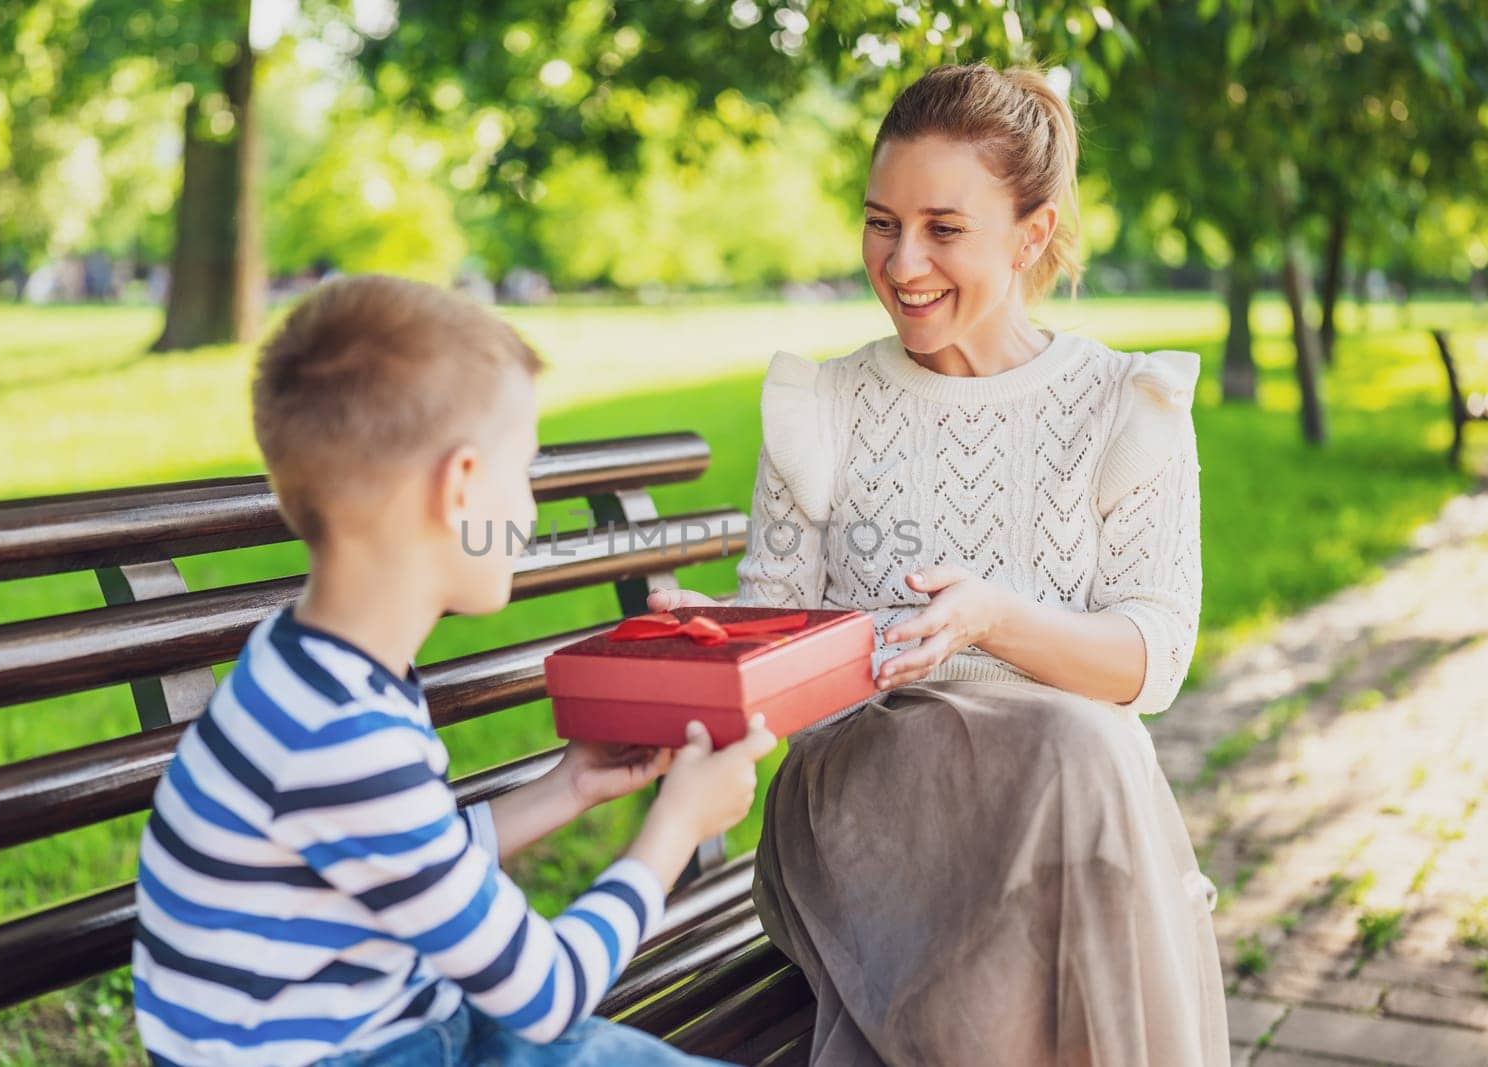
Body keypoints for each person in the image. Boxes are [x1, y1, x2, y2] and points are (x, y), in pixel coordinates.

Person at [650, 63, 1230, 1065]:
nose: (901, 260)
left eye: (943, 228)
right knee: (1082, 759)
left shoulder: (1122, 408)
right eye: (880, 222)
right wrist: (715, 634)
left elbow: (1151, 660)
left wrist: (994, 620)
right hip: (865, 796)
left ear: (1032, 233)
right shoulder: (820, 406)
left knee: (1075, 750)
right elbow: (775, 628)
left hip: (1059, 797)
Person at [131, 275, 775, 1067]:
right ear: (462, 485)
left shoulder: (313, 667)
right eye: (526, 472)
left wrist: (565, 788)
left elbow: (408, 858)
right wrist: (677, 827)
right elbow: (548, 995)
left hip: (405, 1032)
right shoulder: (341, 732)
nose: (532, 511)